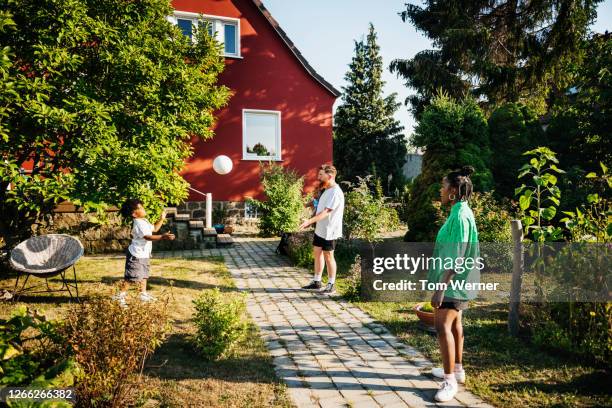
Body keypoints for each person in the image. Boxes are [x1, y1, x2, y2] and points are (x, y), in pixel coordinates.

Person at [428, 166, 480, 402]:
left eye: (443, 186)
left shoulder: (459, 216)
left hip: (453, 282)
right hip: (460, 281)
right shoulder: (461, 210)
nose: (440, 189)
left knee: (443, 327)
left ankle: (449, 382)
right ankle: (457, 370)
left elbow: (457, 256)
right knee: (456, 323)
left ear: (453, 191)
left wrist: (440, 288)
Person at [113, 199, 175, 307]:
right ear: (134, 213)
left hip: (144, 254)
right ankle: (119, 296)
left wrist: (161, 218)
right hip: (136, 255)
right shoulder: (138, 223)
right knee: (131, 277)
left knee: (144, 275)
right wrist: (162, 236)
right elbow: (147, 237)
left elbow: (154, 229)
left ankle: (143, 294)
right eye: (140, 208)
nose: (143, 209)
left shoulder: (143, 221)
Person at [299, 164, 344, 294]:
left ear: (329, 176)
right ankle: (317, 282)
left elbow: (326, 212)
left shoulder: (335, 192)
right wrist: (307, 206)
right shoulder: (327, 189)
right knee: (317, 252)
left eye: (321, 175)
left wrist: (309, 221)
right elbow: (319, 203)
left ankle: (331, 284)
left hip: (330, 230)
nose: (318, 177)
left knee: (329, 255)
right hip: (321, 228)